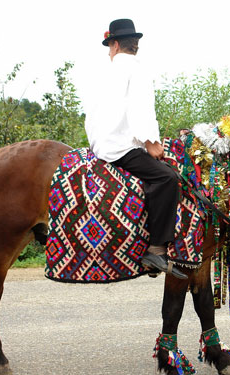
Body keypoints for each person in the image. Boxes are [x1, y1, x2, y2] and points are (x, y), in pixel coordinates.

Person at [84, 18, 187, 279]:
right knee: (167, 178)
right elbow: (140, 110)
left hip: (102, 143)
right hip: (120, 147)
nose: (109, 52)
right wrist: (152, 143)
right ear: (134, 45)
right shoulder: (136, 68)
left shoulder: (105, 72)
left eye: (109, 46)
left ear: (116, 44)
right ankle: (156, 249)